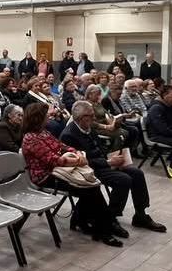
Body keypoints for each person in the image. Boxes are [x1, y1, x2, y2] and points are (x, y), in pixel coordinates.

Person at [19, 103, 123, 246]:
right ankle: (103, 229)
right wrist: (79, 160)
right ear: (38, 118)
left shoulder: (43, 132)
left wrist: (75, 152)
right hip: (45, 177)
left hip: (58, 171)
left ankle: (87, 222)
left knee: (91, 186)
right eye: (46, 116)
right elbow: (53, 160)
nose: (49, 118)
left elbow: (61, 146)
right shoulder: (30, 138)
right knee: (90, 188)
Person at [62, 101, 165, 236]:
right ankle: (110, 218)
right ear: (81, 118)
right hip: (87, 170)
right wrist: (108, 162)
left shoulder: (87, 126)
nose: (94, 118)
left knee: (137, 173)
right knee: (123, 180)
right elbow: (80, 162)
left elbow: (100, 148)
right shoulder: (68, 135)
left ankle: (140, 214)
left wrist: (114, 156)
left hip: (103, 164)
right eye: (91, 115)